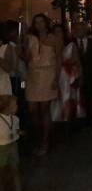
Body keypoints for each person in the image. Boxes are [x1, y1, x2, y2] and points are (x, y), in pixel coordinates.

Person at [24, 14, 60, 156]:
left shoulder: (53, 38)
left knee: (44, 109)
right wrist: (25, 48)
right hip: (33, 75)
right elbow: (26, 59)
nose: (39, 24)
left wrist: (56, 79)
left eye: (41, 22)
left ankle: (45, 142)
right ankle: (39, 138)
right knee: (32, 109)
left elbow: (59, 59)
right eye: (36, 22)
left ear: (46, 23)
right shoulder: (30, 38)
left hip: (48, 74)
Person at [72, 22, 92, 126]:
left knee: (88, 97)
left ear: (85, 30)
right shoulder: (71, 43)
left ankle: (89, 118)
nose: (80, 31)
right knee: (76, 98)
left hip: (89, 75)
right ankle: (76, 119)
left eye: (82, 29)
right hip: (74, 76)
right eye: (77, 29)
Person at [0, 96, 26, 191]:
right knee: (1, 173)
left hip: (13, 146)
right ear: (7, 108)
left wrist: (20, 132)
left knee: (15, 170)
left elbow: (16, 129)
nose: (17, 107)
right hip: (2, 148)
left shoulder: (15, 119)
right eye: (14, 105)